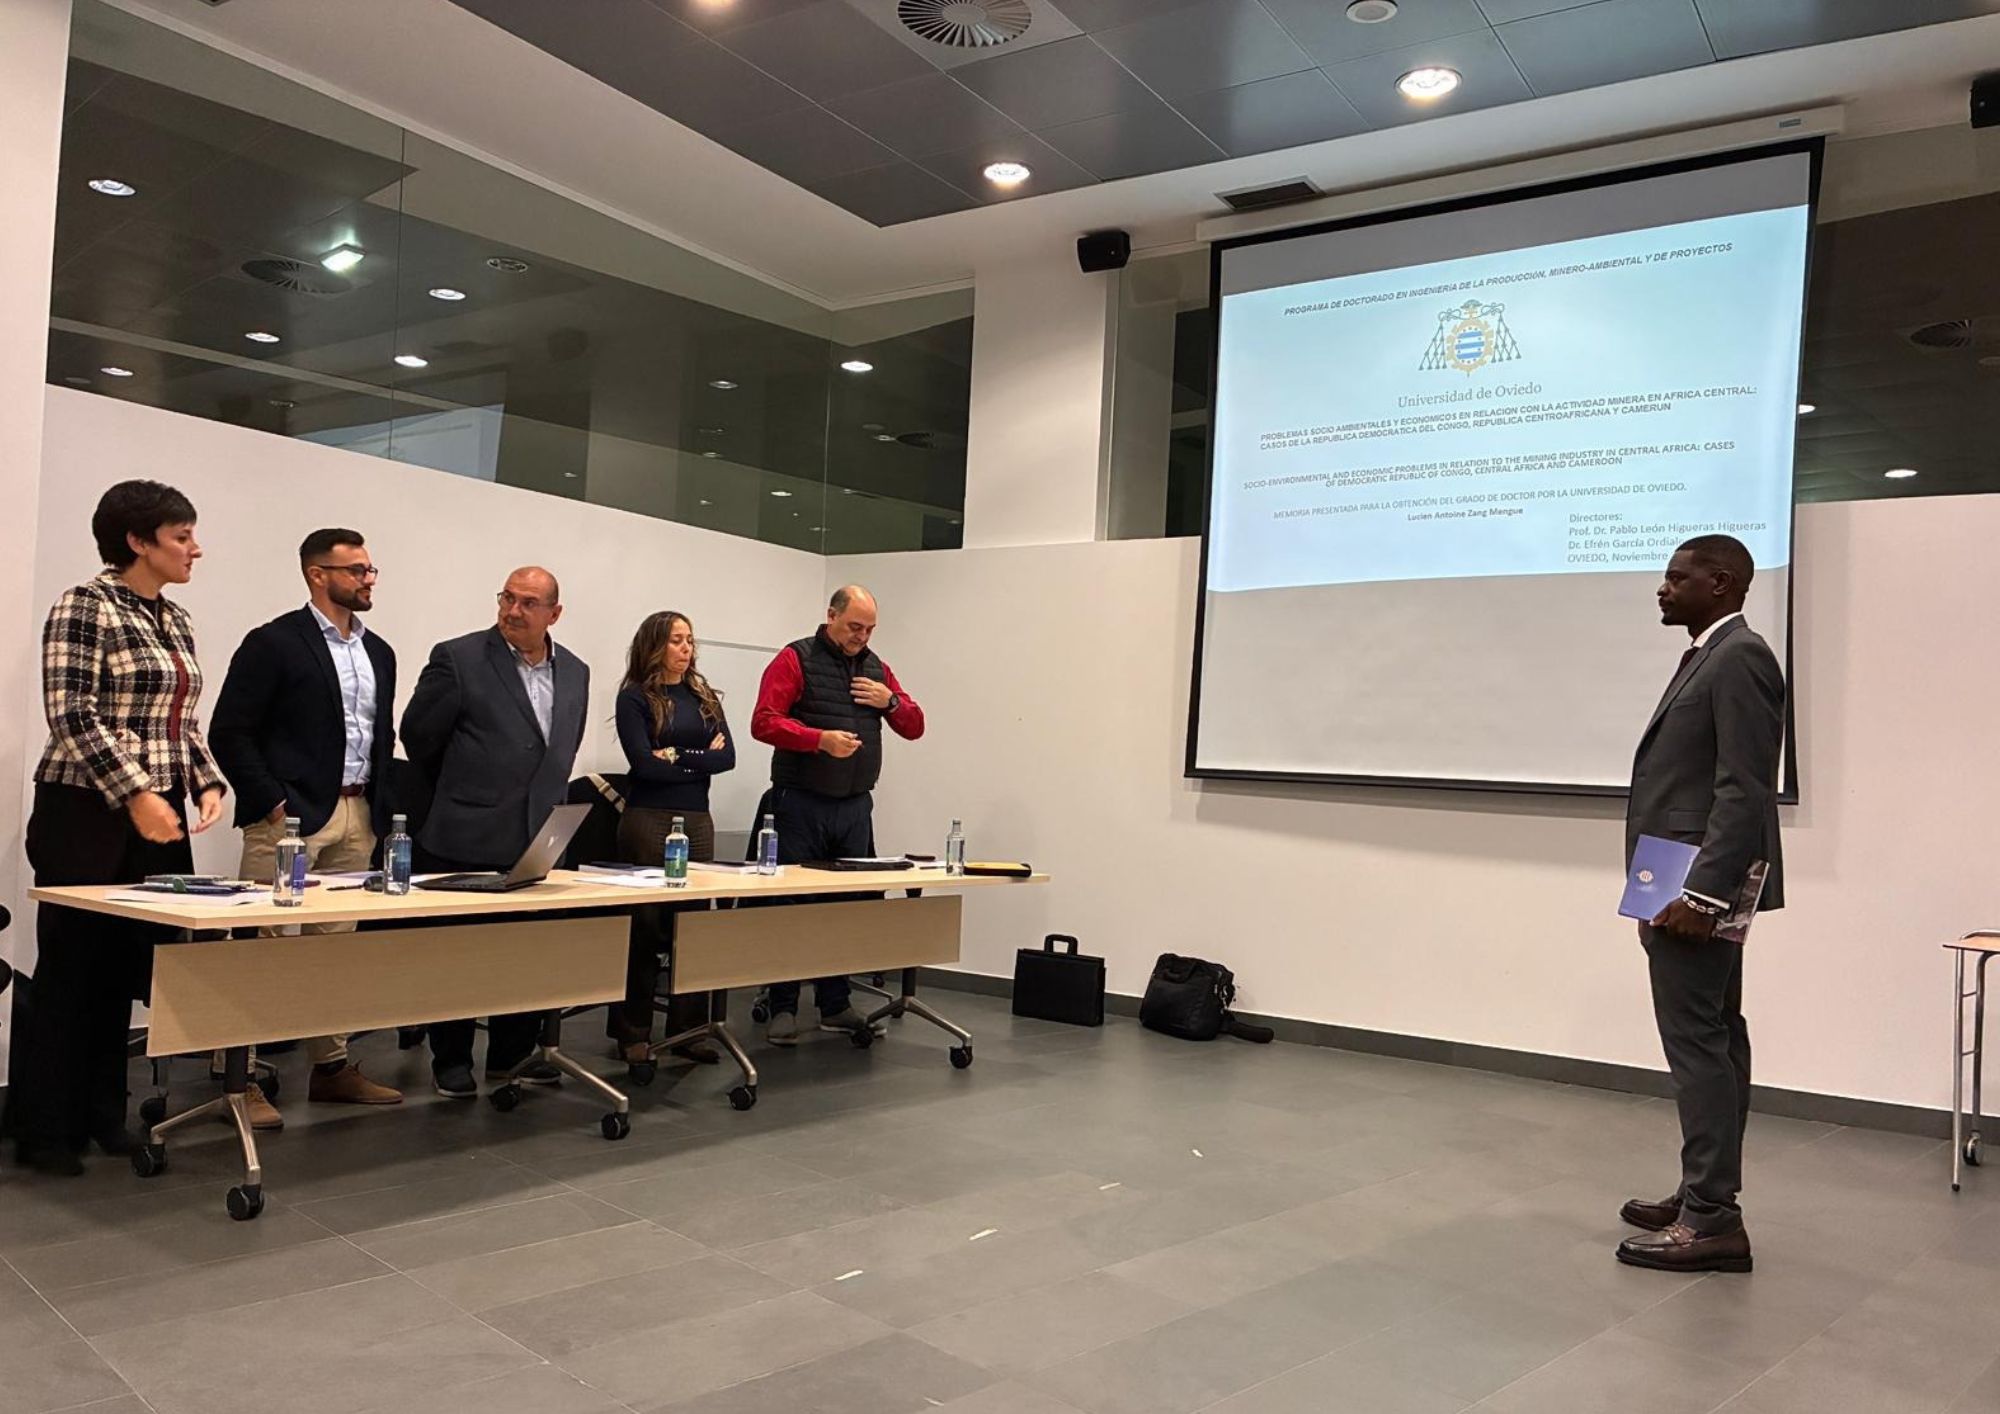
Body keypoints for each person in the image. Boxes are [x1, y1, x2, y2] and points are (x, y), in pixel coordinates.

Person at [5, 481, 228, 1175]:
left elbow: (181, 721)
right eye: (181, 536)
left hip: (156, 814)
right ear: (137, 541)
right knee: (71, 968)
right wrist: (135, 793)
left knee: (129, 969)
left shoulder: (176, 618)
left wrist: (206, 780)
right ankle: (46, 1130)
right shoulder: (85, 605)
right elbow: (71, 713)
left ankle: (105, 1114)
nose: (195, 549)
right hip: (85, 811)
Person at [1617, 533, 1785, 1274]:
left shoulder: (1739, 656)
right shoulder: (1708, 654)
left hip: (1693, 885)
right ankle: (1702, 1193)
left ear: (1720, 584)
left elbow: (1744, 788)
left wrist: (1704, 895)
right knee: (1715, 1035)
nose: (1663, 587)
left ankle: (1713, 1220)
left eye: (1676, 577)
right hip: (1675, 875)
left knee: (1698, 1045)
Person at [208, 528, 403, 1128]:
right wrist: (273, 804)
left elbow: (379, 734)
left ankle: (332, 1066)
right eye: (357, 570)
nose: (369, 580)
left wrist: (378, 807)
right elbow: (229, 732)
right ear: (318, 575)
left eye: (371, 569)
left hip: (357, 814)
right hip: (289, 820)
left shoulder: (379, 651)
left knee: (335, 946)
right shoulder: (274, 642)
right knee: (262, 944)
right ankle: (241, 1076)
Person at [399, 566, 589, 1098]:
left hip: (537, 839)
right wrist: (467, 788)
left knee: (525, 954)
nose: (513, 610)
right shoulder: (459, 658)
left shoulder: (576, 670)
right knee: (457, 956)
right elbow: (418, 738)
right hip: (466, 832)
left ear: (554, 613)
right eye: (507, 598)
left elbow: (562, 744)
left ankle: (512, 1056)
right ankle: (452, 1060)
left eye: (528, 603)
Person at [750, 584, 925, 1045]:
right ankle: (783, 1006)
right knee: (789, 907)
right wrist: (818, 739)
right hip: (800, 802)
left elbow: (915, 727)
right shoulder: (795, 658)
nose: (861, 637)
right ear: (831, 616)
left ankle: (835, 1004)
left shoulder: (877, 668)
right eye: (854, 627)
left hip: (854, 805)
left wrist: (890, 701)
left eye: (869, 629)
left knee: (844, 908)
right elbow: (763, 722)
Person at [610, 611, 735, 1065]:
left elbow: (728, 758)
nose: (686, 648)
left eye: (689, 640)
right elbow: (643, 765)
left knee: (693, 924)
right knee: (644, 926)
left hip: (696, 818)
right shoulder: (635, 698)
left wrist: (677, 754)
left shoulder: (703, 697)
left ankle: (687, 1030)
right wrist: (700, 758)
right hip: (649, 818)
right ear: (655, 646)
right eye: (676, 640)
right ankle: (633, 1032)